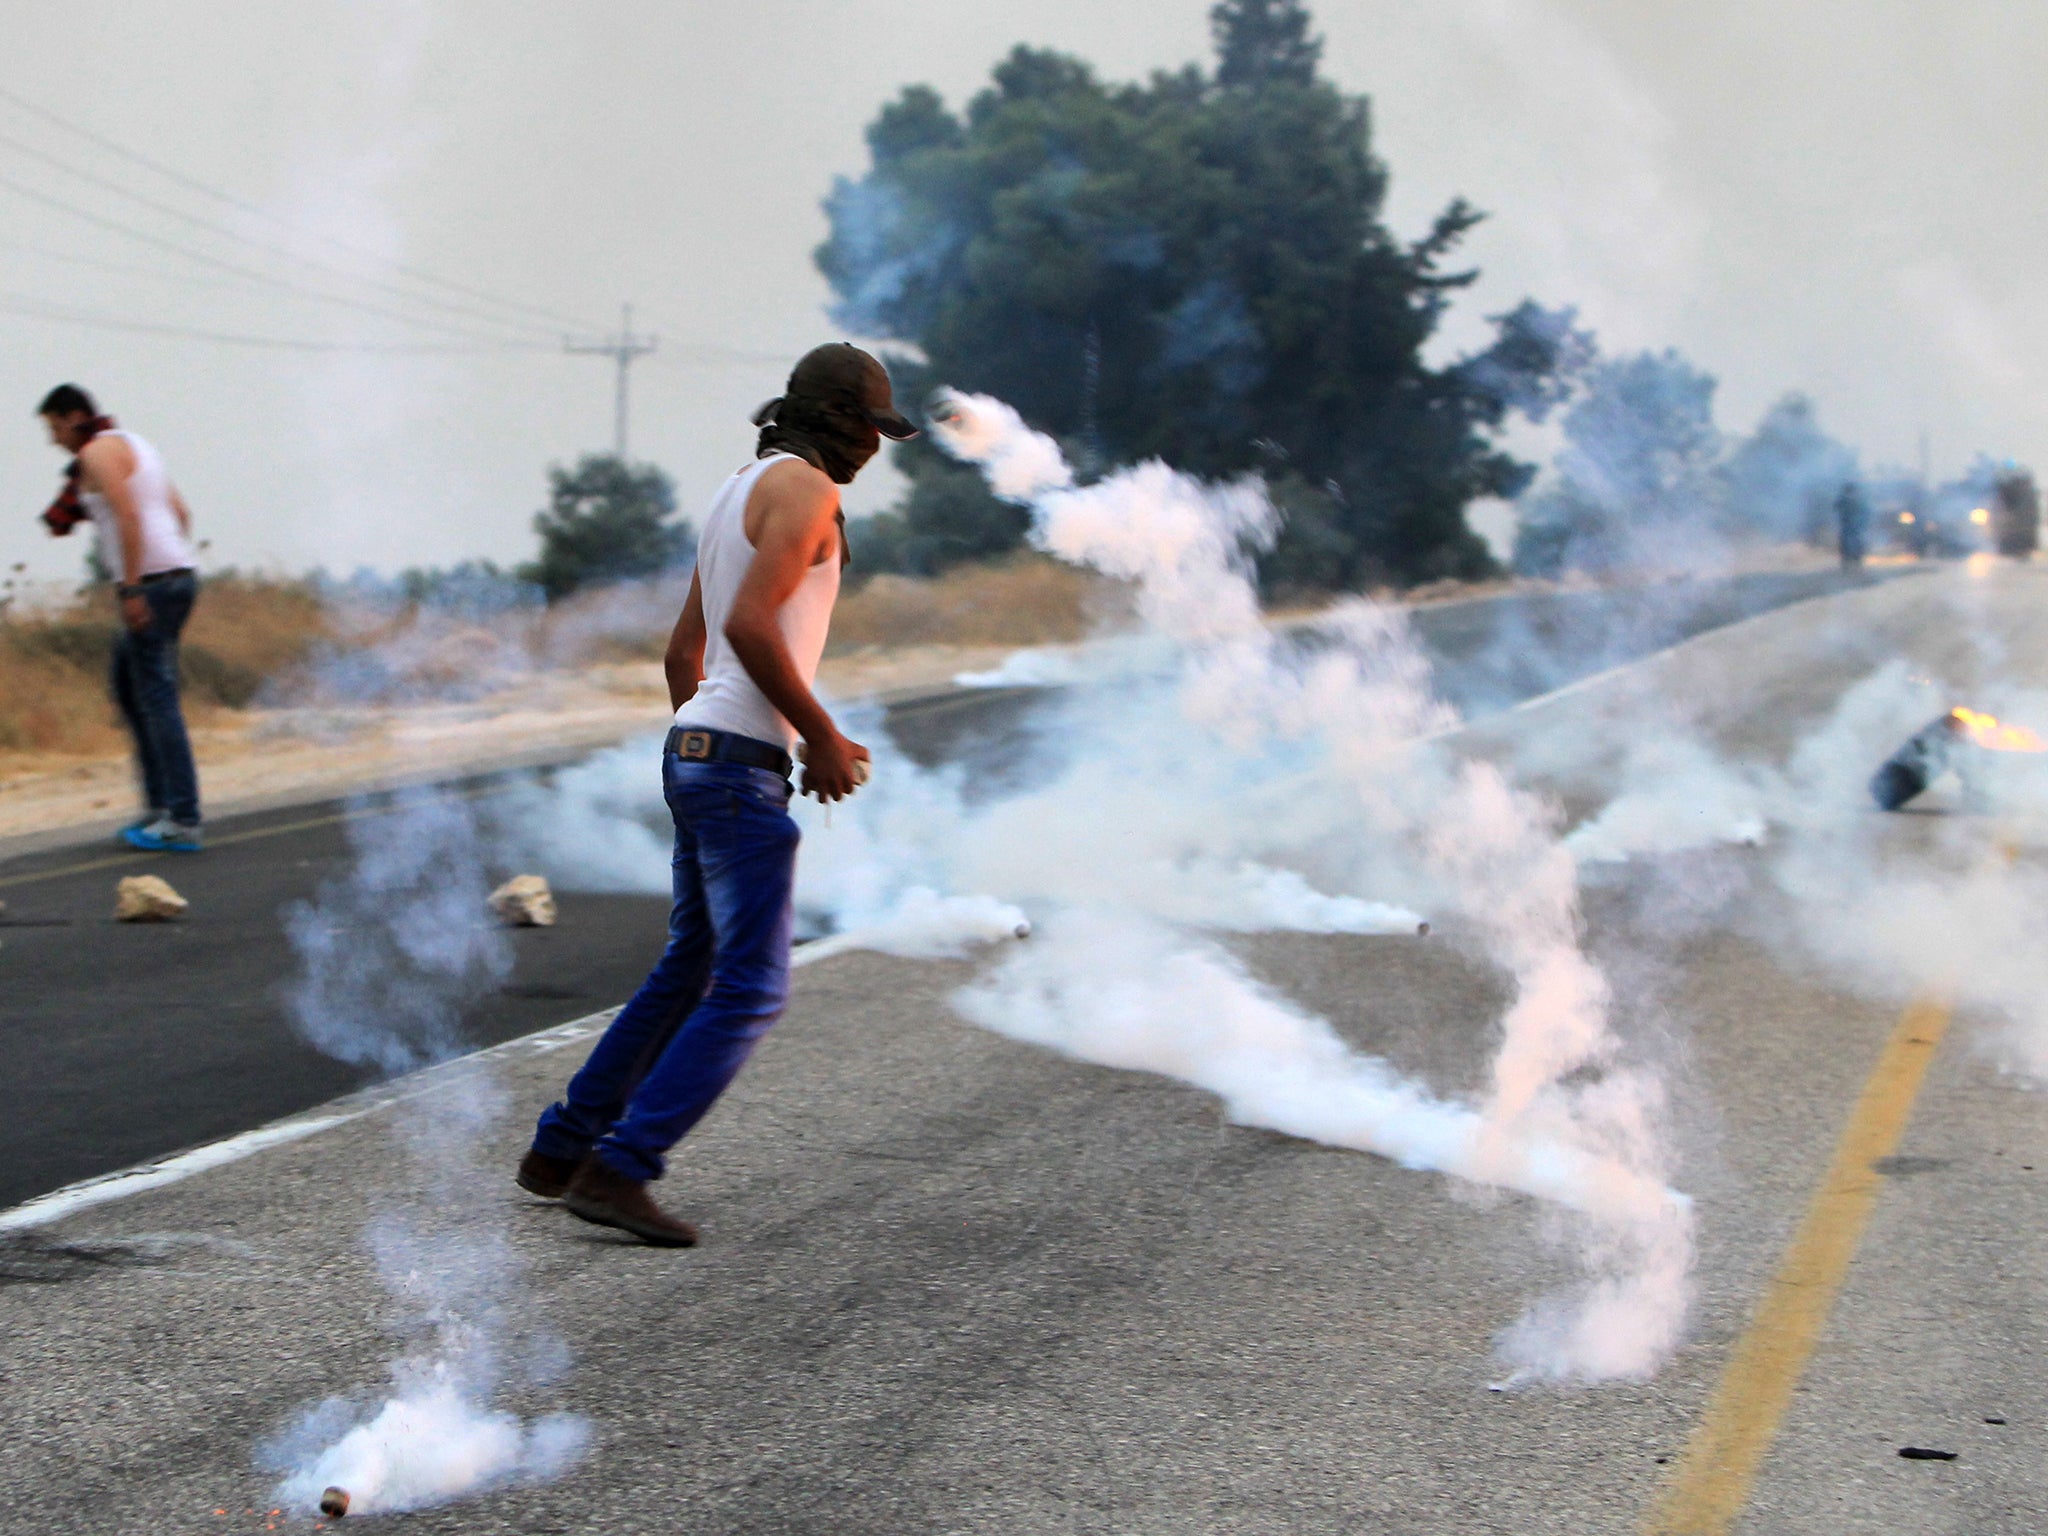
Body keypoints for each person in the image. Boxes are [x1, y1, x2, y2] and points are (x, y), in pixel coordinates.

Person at [517, 343, 918, 1246]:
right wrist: (814, 735)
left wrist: (698, 747)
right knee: (751, 987)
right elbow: (746, 624)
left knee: (687, 967)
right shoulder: (810, 494)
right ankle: (620, 1168)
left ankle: (562, 1147)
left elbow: (682, 656)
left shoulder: (738, 488)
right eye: (867, 427)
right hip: (734, 764)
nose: (875, 448)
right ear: (828, 418)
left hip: (696, 749)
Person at [37, 385, 205, 851]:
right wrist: (172, 565)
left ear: (73, 417)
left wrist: (133, 586)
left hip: (151, 584)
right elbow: (180, 511)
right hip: (174, 577)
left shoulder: (95, 453)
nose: (54, 440)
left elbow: (128, 516)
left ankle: (183, 818)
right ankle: (161, 808)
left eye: (54, 428)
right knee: (131, 688)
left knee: (155, 697)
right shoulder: (136, 444)